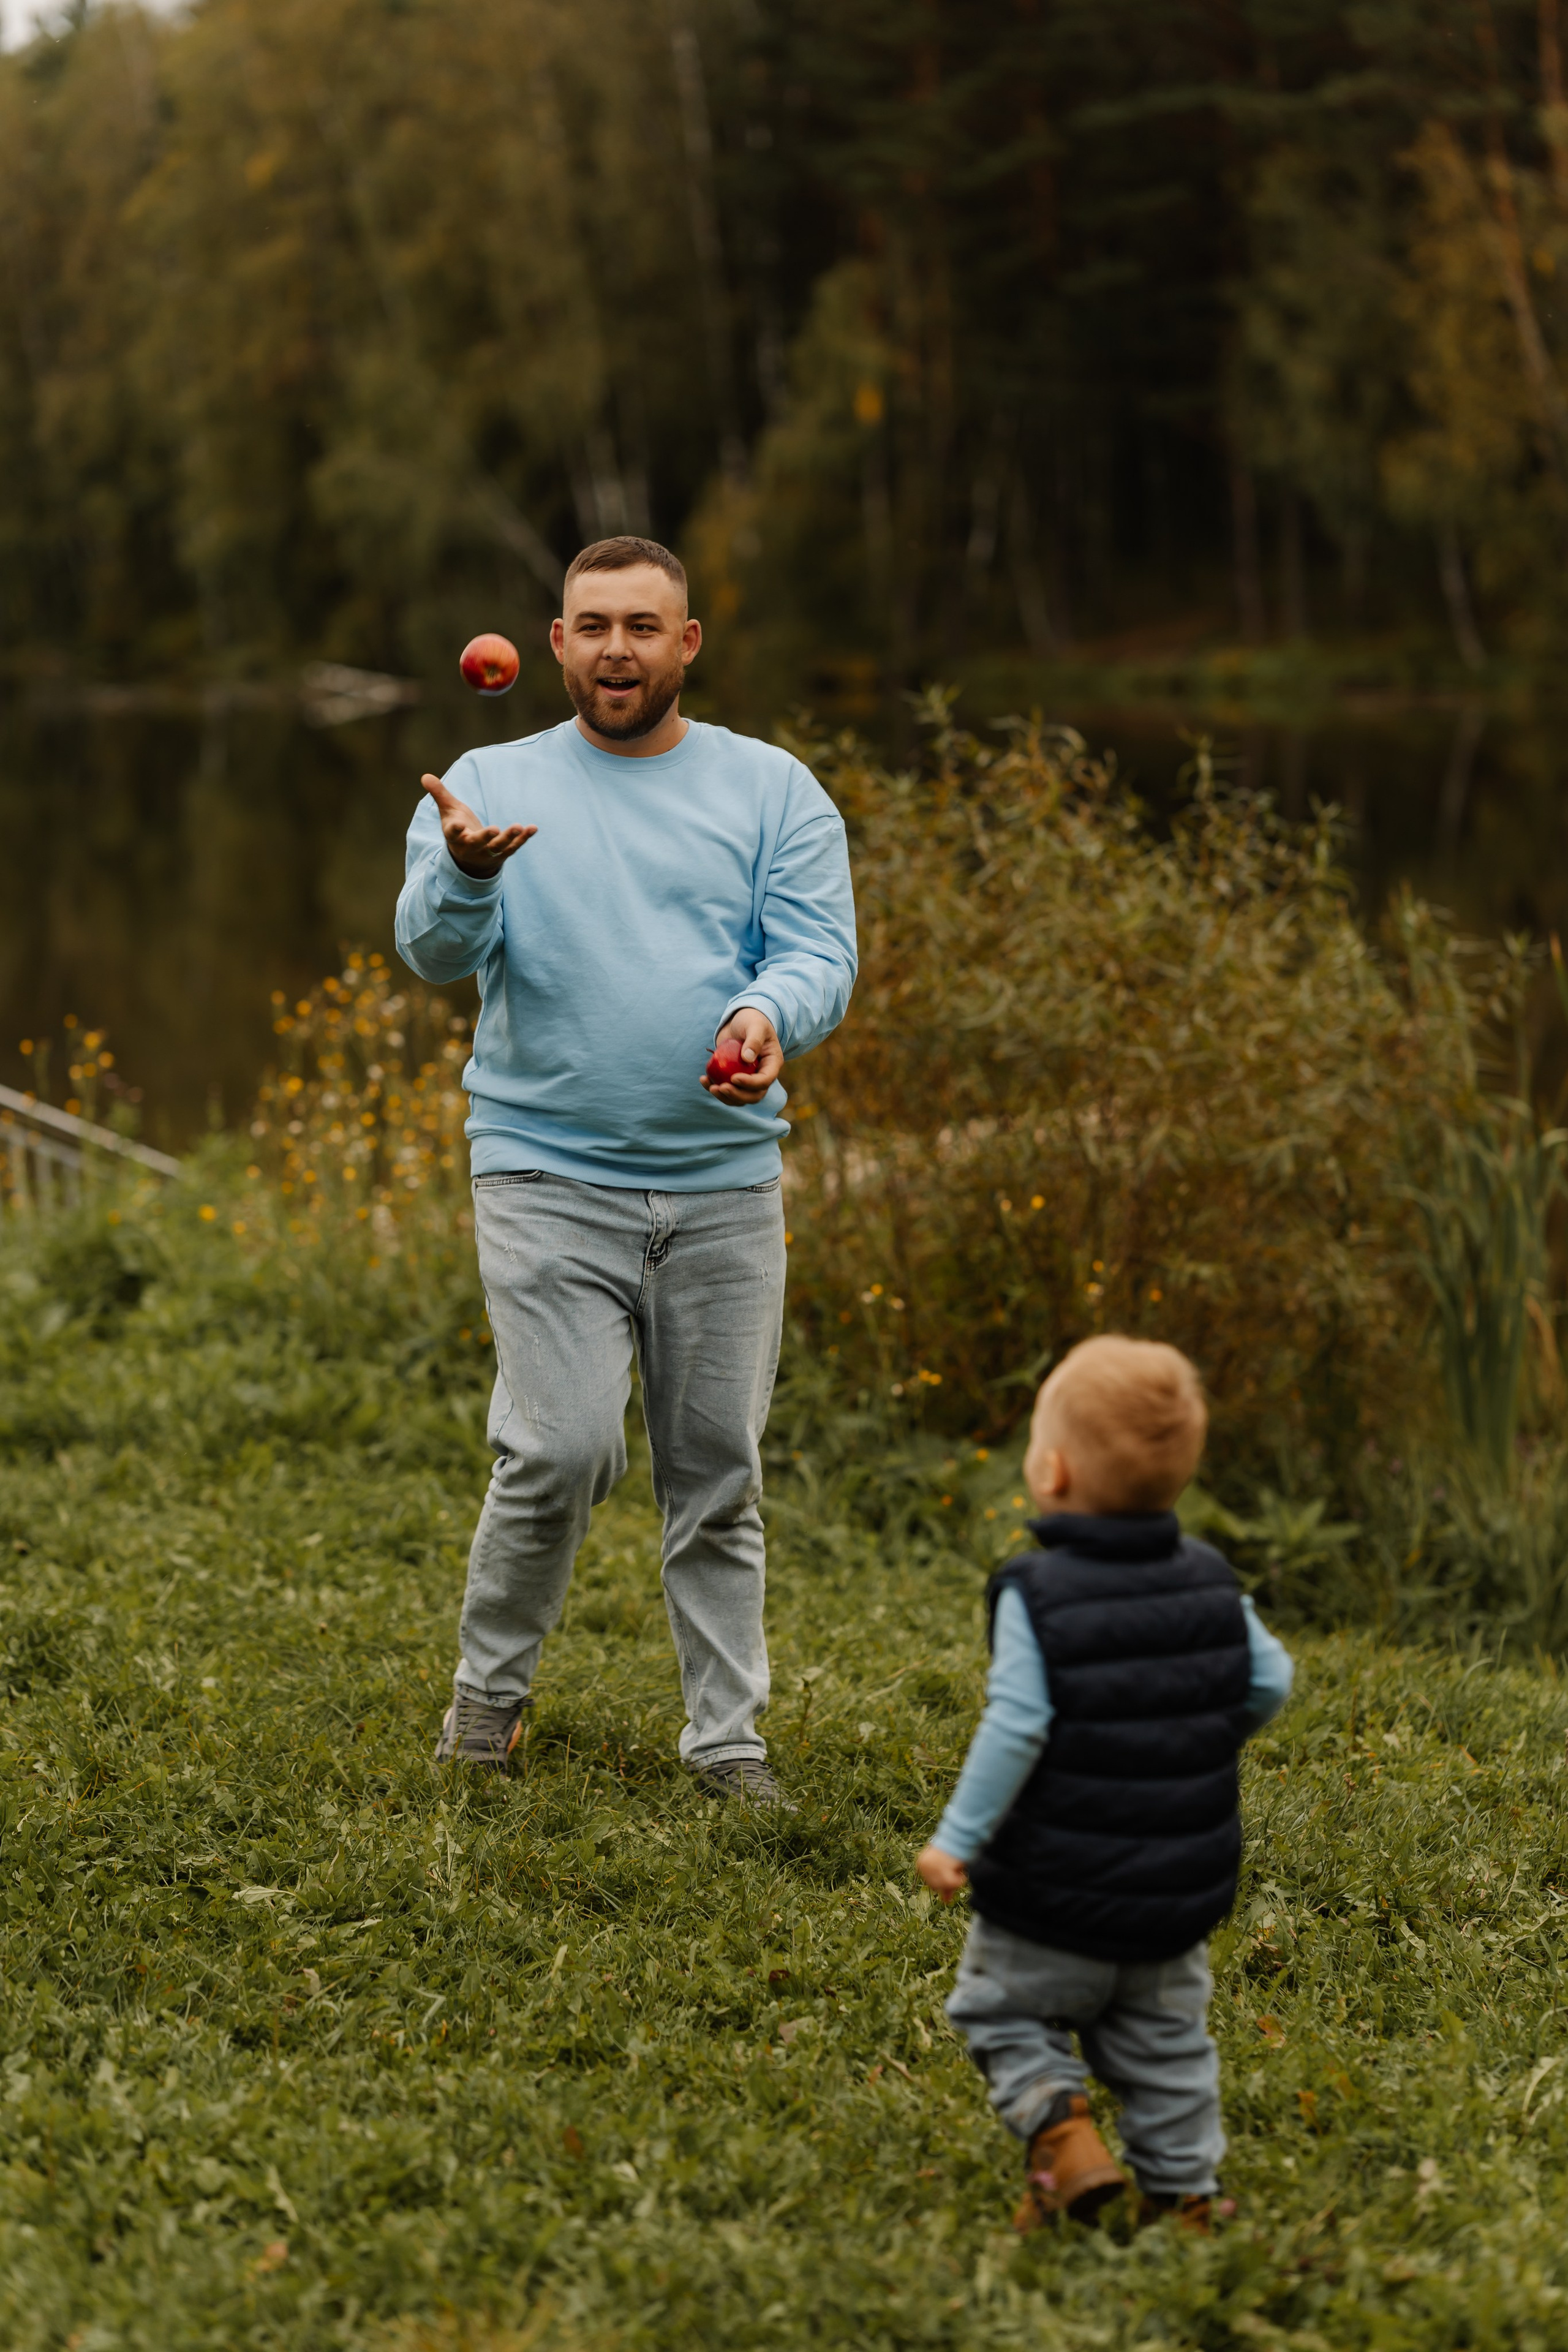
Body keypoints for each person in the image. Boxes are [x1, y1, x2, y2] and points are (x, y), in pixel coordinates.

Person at [395, 535, 857, 1803]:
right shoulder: (485, 781)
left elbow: (818, 951)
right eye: (591, 625)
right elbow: (431, 951)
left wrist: (768, 1018)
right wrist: (471, 875)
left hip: (722, 1186)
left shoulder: (771, 789)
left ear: (686, 644)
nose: (615, 649)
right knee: (556, 1452)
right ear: (553, 645)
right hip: (543, 1176)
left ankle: (727, 1747)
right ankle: (485, 1710)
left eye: (642, 627)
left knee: (717, 1471)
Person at [915, 1335, 1293, 2231]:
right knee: (1166, 2050)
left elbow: (1018, 1723)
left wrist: (956, 1839)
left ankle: (1063, 2136)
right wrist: (1197, 1734)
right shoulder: (1211, 1579)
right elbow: (1270, 1681)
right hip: (1173, 1901)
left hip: (1050, 1893)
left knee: (1000, 2013)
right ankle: (1185, 2199)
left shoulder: (1036, 1590)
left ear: (1048, 1470)